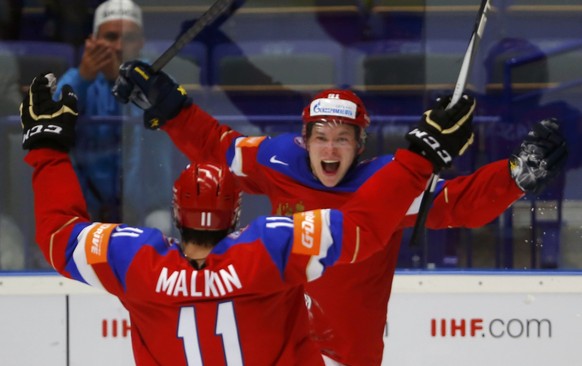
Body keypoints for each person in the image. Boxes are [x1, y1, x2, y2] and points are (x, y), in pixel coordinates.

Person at [113, 61, 568, 365]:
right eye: (321, 137)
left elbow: (461, 203)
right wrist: (172, 109)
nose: (331, 148)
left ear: (360, 146)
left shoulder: (386, 187)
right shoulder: (275, 162)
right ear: (304, 141)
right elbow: (218, 146)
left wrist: (516, 175)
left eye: (343, 138)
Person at [21, 72, 474, 364]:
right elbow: (361, 229)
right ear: (236, 212)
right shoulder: (267, 250)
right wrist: (418, 159)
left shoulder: (135, 261)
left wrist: (48, 153)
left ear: (177, 215)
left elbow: (58, 235)